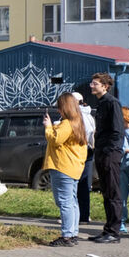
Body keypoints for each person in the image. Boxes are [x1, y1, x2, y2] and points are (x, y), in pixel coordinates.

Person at [43, 93, 88, 247]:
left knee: (64, 201)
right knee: (72, 201)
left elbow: (55, 139)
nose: (58, 110)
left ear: (65, 108)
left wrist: (48, 127)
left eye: (59, 107)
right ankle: (73, 233)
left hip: (63, 166)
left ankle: (67, 236)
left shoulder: (67, 123)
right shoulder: (78, 123)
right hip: (73, 167)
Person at [88, 73, 125, 243]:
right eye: (92, 83)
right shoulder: (101, 103)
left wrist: (109, 151)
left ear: (105, 86)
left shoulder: (112, 103)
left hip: (110, 153)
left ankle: (114, 232)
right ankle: (107, 229)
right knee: (106, 192)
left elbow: (117, 130)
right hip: (102, 152)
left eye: (95, 83)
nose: (91, 86)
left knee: (113, 192)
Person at [73, 91, 96, 224]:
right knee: (85, 183)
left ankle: (76, 214)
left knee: (73, 182)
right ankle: (84, 215)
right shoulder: (89, 115)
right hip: (89, 149)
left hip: (78, 150)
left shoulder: (76, 115)